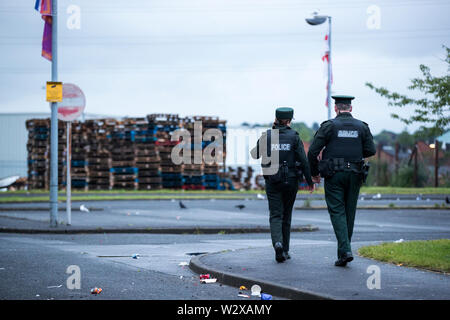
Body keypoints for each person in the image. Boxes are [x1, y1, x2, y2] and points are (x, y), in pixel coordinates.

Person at [308, 95, 376, 267]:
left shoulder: (329, 126)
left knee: (337, 211)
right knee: (349, 212)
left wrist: (314, 173)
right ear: (350, 108)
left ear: (336, 108)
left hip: (334, 174)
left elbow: (312, 151)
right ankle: (344, 252)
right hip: (355, 173)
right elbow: (370, 150)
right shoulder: (362, 126)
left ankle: (345, 251)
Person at [251, 107, 315, 263]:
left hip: (272, 181)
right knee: (287, 215)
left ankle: (277, 244)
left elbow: (254, 154)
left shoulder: (267, 135)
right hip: (291, 181)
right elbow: (304, 160)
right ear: (289, 120)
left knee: (275, 215)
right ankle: (285, 249)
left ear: (276, 119)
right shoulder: (294, 137)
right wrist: (309, 181)